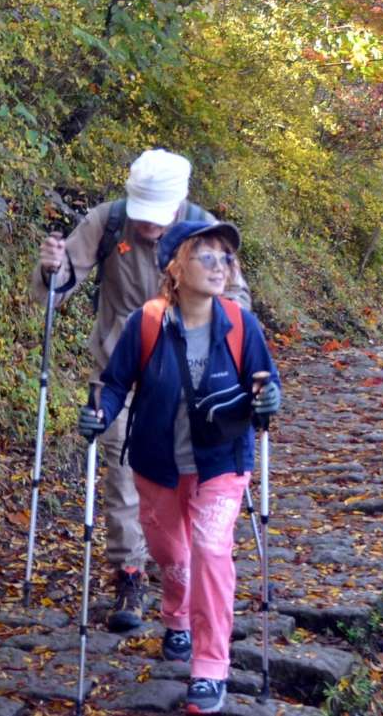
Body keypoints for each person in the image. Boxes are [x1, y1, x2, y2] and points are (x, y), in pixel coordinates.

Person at [35, 149, 250, 630]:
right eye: (142, 216)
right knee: (122, 468)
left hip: (192, 380)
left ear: (179, 203)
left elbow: (236, 298)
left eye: (158, 218)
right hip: (119, 373)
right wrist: (54, 269)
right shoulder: (108, 222)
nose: (149, 227)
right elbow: (62, 282)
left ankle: (183, 572)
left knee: (188, 477)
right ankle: (129, 573)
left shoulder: (204, 230)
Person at [77, 218, 281, 715]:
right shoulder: (146, 322)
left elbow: (266, 384)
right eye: (205, 255)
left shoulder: (239, 323)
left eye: (225, 257)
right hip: (157, 463)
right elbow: (115, 383)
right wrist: (99, 413)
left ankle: (211, 669)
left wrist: (268, 399)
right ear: (176, 264)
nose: (218, 266)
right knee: (174, 556)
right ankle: (176, 618)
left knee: (211, 551)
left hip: (221, 462)